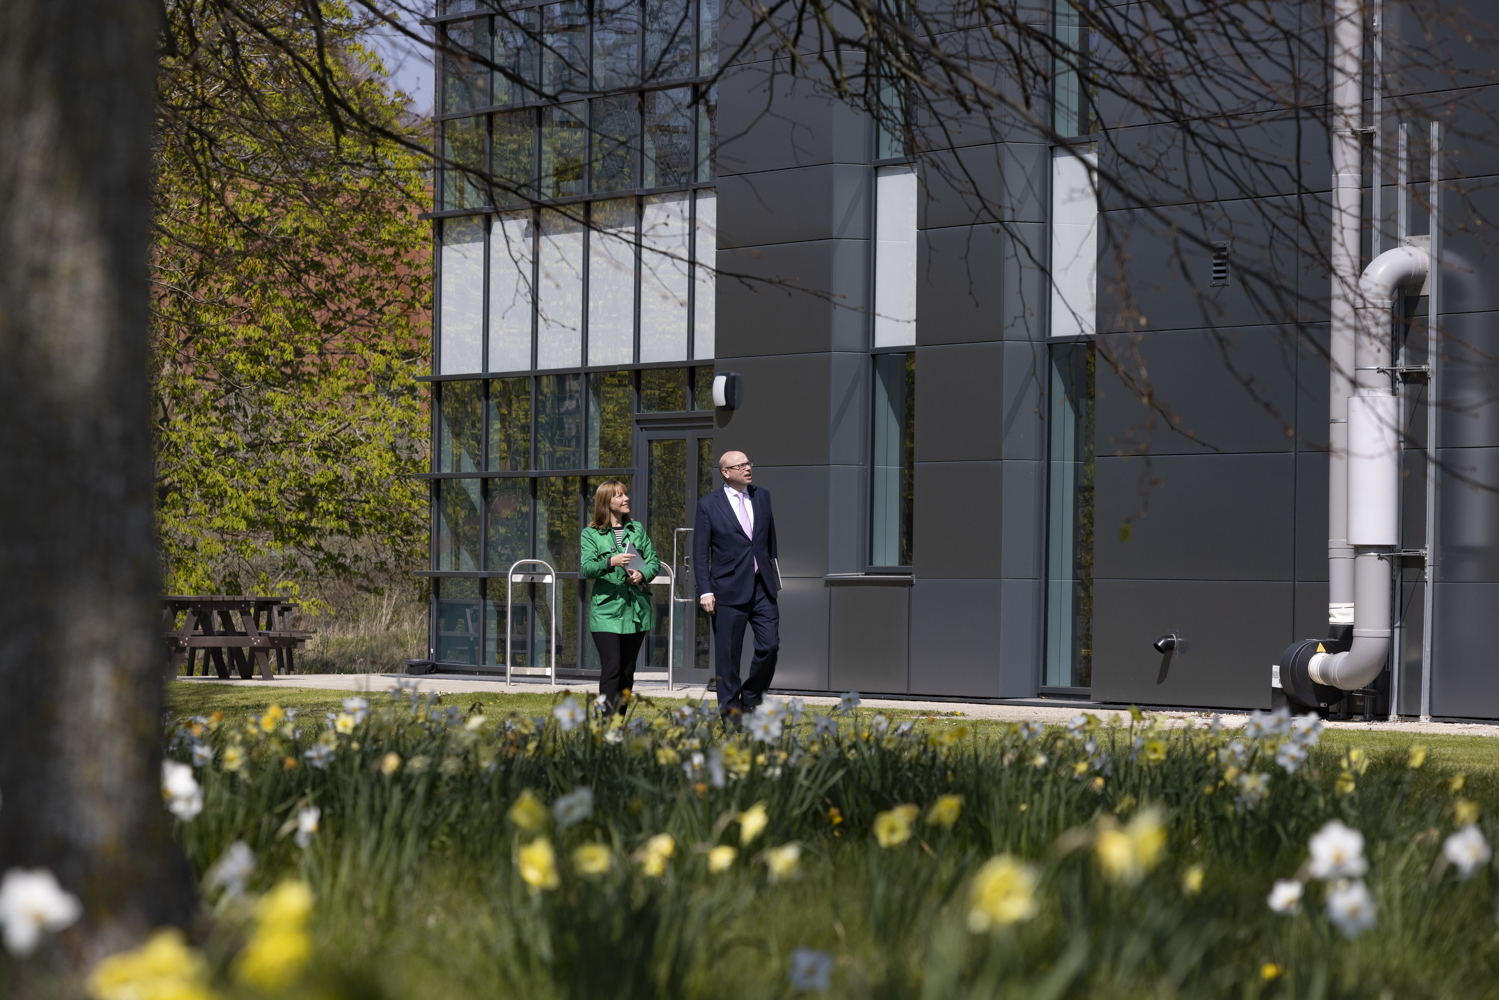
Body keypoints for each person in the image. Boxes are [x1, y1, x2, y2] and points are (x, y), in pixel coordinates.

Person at [693, 450, 780, 722]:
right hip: (727, 589)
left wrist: (773, 574)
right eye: (739, 465)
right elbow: (700, 552)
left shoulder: (762, 496)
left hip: (762, 586)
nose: (747, 468)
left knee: (770, 646)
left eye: (748, 463)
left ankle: (751, 697)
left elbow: (768, 541)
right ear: (725, 472)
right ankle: (731, 715)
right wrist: (705, 590)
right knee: (728, 657)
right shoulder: (708, 504)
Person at [581, 480, 660, 715]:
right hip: (606, 611)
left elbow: (653, 561)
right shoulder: (591, 533)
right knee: (612, 668)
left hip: (636, 609)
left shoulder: (637, 530)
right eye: (619, 496)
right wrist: (610, 562)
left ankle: (618, 722)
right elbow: (587, 568)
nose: (626, 499)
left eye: (625, 494)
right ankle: (605, 723)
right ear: (607, 502)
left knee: (627, 672)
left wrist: (642, 574)